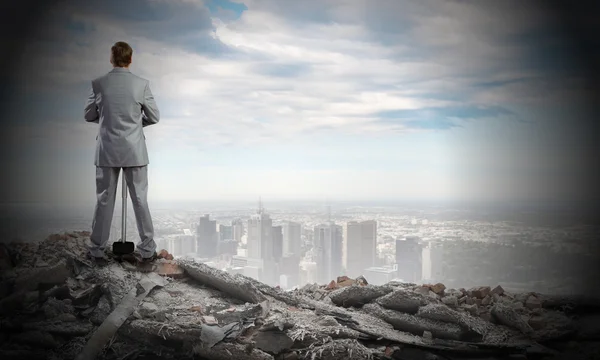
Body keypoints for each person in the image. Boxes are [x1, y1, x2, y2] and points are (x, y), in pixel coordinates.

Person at [84, 41, 160, 264]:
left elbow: (89, 115)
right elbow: (154, 116)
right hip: (134, 150)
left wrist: (108, 120)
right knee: (140, 200)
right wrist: (135, 124)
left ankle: (97, 250)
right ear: (130, 59)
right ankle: (147, 250)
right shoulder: (141, 84)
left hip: (107, 149)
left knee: (104, 201)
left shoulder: (98, 84)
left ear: (111, 58)